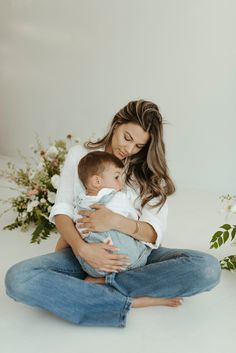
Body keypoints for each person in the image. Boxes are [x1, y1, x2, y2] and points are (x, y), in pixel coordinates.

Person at [5, 99, 221, 328]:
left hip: (137, 256)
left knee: (207, 268)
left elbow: (151, 233)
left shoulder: (147, 173)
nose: (129, 149)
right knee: (18, 279)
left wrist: (115, 221)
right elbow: (63, 210)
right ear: (117, 123)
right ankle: (130, 301)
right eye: (127, 138)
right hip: (84, 255)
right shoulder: (80, 155)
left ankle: (100, 286)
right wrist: (83, 249)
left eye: (138, 146)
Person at [58, 150, 152, 280]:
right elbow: (133, 219)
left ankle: (101, 280)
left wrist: (60, 253)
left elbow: (76, 228)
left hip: (95, 268)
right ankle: (120, 283)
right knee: (147, 246)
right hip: (128, 258)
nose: (121, 183)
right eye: (116, 177)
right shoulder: (118, 197)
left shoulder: (79, 204)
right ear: (97, 181)